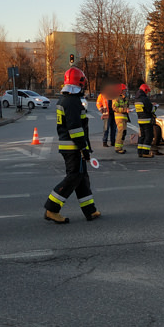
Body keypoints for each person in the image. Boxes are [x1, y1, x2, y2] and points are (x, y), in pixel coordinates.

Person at [43, 67, 101, 224]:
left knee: (81, 178)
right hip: (73, 147)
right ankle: (52, 209)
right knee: (74, 177)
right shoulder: (73, 102)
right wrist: (84, 148)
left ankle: (90, 211)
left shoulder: (64, 99)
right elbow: (75, 129)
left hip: (69, 146)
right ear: (80, 84)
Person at [135, 83, 155, 158]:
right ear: (145, 90)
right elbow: (150, 110)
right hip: (147, 120)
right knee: (149, 136)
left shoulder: (137, 98)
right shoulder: (144, 98)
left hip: (140, 120)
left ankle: (140, 152)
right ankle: (145, 152)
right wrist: (155, 106)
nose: (147, 93)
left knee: (142, 136)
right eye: (147, 91)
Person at [113, 84, 130, 154]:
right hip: (119, 117)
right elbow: (114, 108)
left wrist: (128, 109)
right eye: (124, 90)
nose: (125, 91)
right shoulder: (116, 98)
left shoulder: (125, 97)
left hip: (124, 117)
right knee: (121, 132)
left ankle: (120, 146)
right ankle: (118, 148)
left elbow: (126, 105)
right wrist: (124, 110)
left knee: (124, 132)